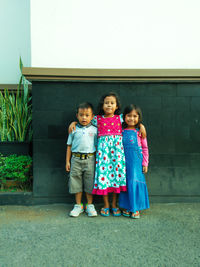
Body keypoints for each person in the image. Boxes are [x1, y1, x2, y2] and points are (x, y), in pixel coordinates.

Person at [66, 102, 98, 217]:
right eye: (81, 115)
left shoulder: (95, 130)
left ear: (92, 116)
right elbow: (69, 146)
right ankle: (78, 205)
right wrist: (67, 161)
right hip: (76, 159)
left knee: (90, 182)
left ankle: (90, 205)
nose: (84, 118)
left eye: (87, 115)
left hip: (90, 159)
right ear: (77, 115)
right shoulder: (73, 129)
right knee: (76, 182)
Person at [119, 104, 149, 219]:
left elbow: (145, 148)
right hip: (123, 161)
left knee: (134, 182)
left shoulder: (139, 131)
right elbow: (117, 117)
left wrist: (145, 163)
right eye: (129, 115)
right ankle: (128, 206)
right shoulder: (120, 129)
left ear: (139, 117)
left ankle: (135, 208)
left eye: (135, 116)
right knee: (125, 183)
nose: (132, 118)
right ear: (124, 117)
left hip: (136, 162)